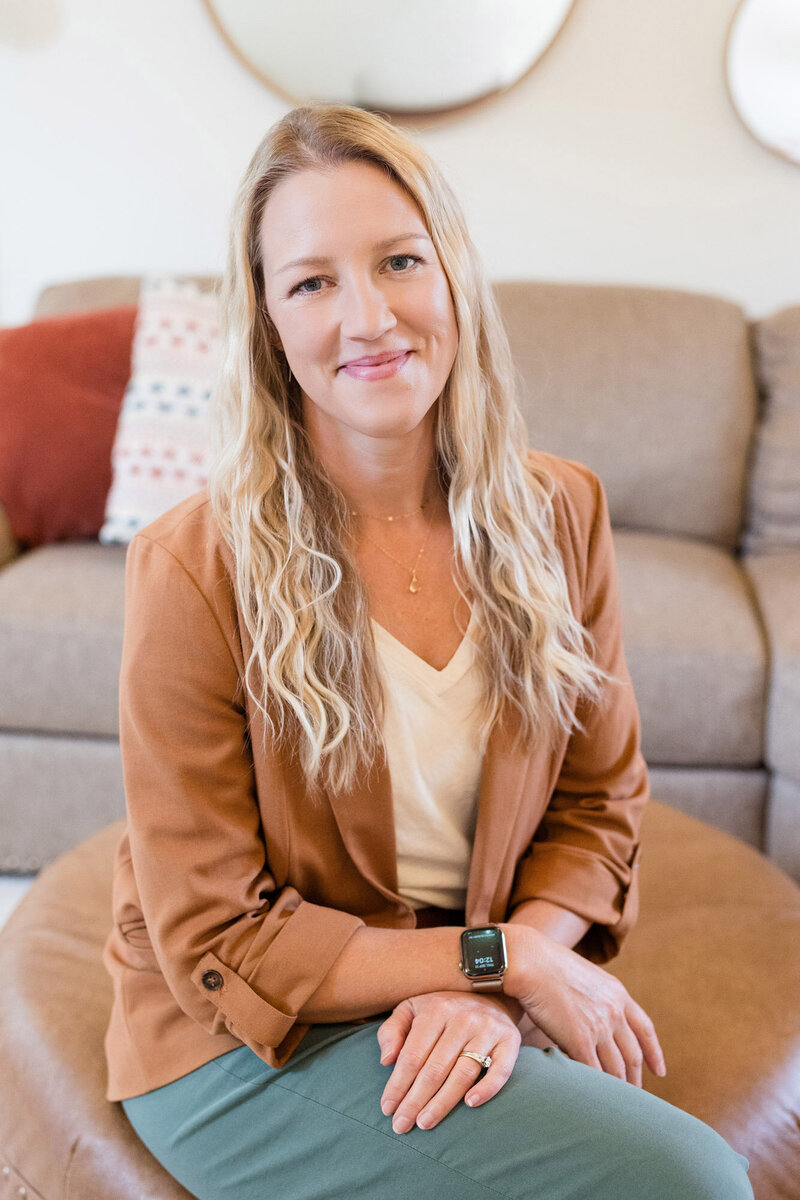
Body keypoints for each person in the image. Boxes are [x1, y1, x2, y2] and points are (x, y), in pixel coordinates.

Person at [103, 104, 753, 1199]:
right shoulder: (192, 568)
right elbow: (218, 932)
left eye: (399, 261)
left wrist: (487, 982)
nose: (368, 317)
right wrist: (503, 960)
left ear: (452, 274)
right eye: (311, 282)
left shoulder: (557, 511)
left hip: (456, 981)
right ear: (265, 320)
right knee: (689, 1179)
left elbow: (596, 803)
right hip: (246, 1036)